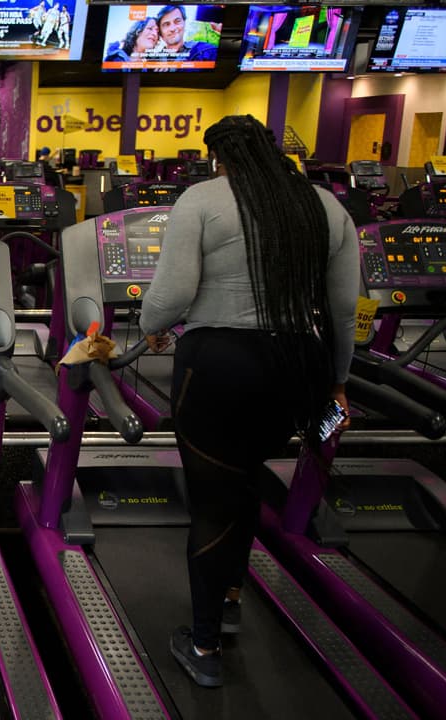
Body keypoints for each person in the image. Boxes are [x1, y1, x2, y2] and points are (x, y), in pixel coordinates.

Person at [138, 115, 358, 688]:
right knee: (248, 479)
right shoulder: (325, 207)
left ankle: (204, 644)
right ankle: (231, 593)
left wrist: (150, 325)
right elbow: (342, 312)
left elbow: (171, 295)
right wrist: (337, 384)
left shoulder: (202, 200)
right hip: (298, 369)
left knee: (214, 501)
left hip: (219, 367)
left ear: (220, 158)